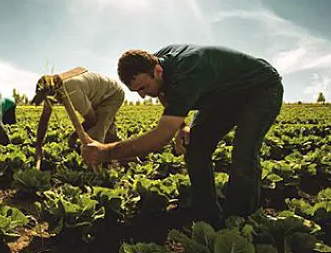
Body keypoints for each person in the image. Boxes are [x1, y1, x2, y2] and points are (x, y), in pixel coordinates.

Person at [81, 44, 283, 226]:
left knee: (243, 152)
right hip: (221, 97)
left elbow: (161, 136)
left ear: (157, 71)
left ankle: (241, 220)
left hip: (260, 90)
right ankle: (207, 214)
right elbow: (163, 93)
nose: (142, 95)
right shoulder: (157, 63)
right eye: (136, 91)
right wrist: (182, 126)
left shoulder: (188, 72)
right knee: (195, 148)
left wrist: (106, 152)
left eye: (143, 88)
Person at [30, 67, 125, 159]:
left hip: (111, 94)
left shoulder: (72, 91)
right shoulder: (51, 91)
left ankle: (95, 169)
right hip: (96, 95)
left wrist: (74, 136)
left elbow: (91, 120)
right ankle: (128, 157)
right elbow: (44, 120)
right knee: (109, 135)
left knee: (95, 135)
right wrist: (38, 146)